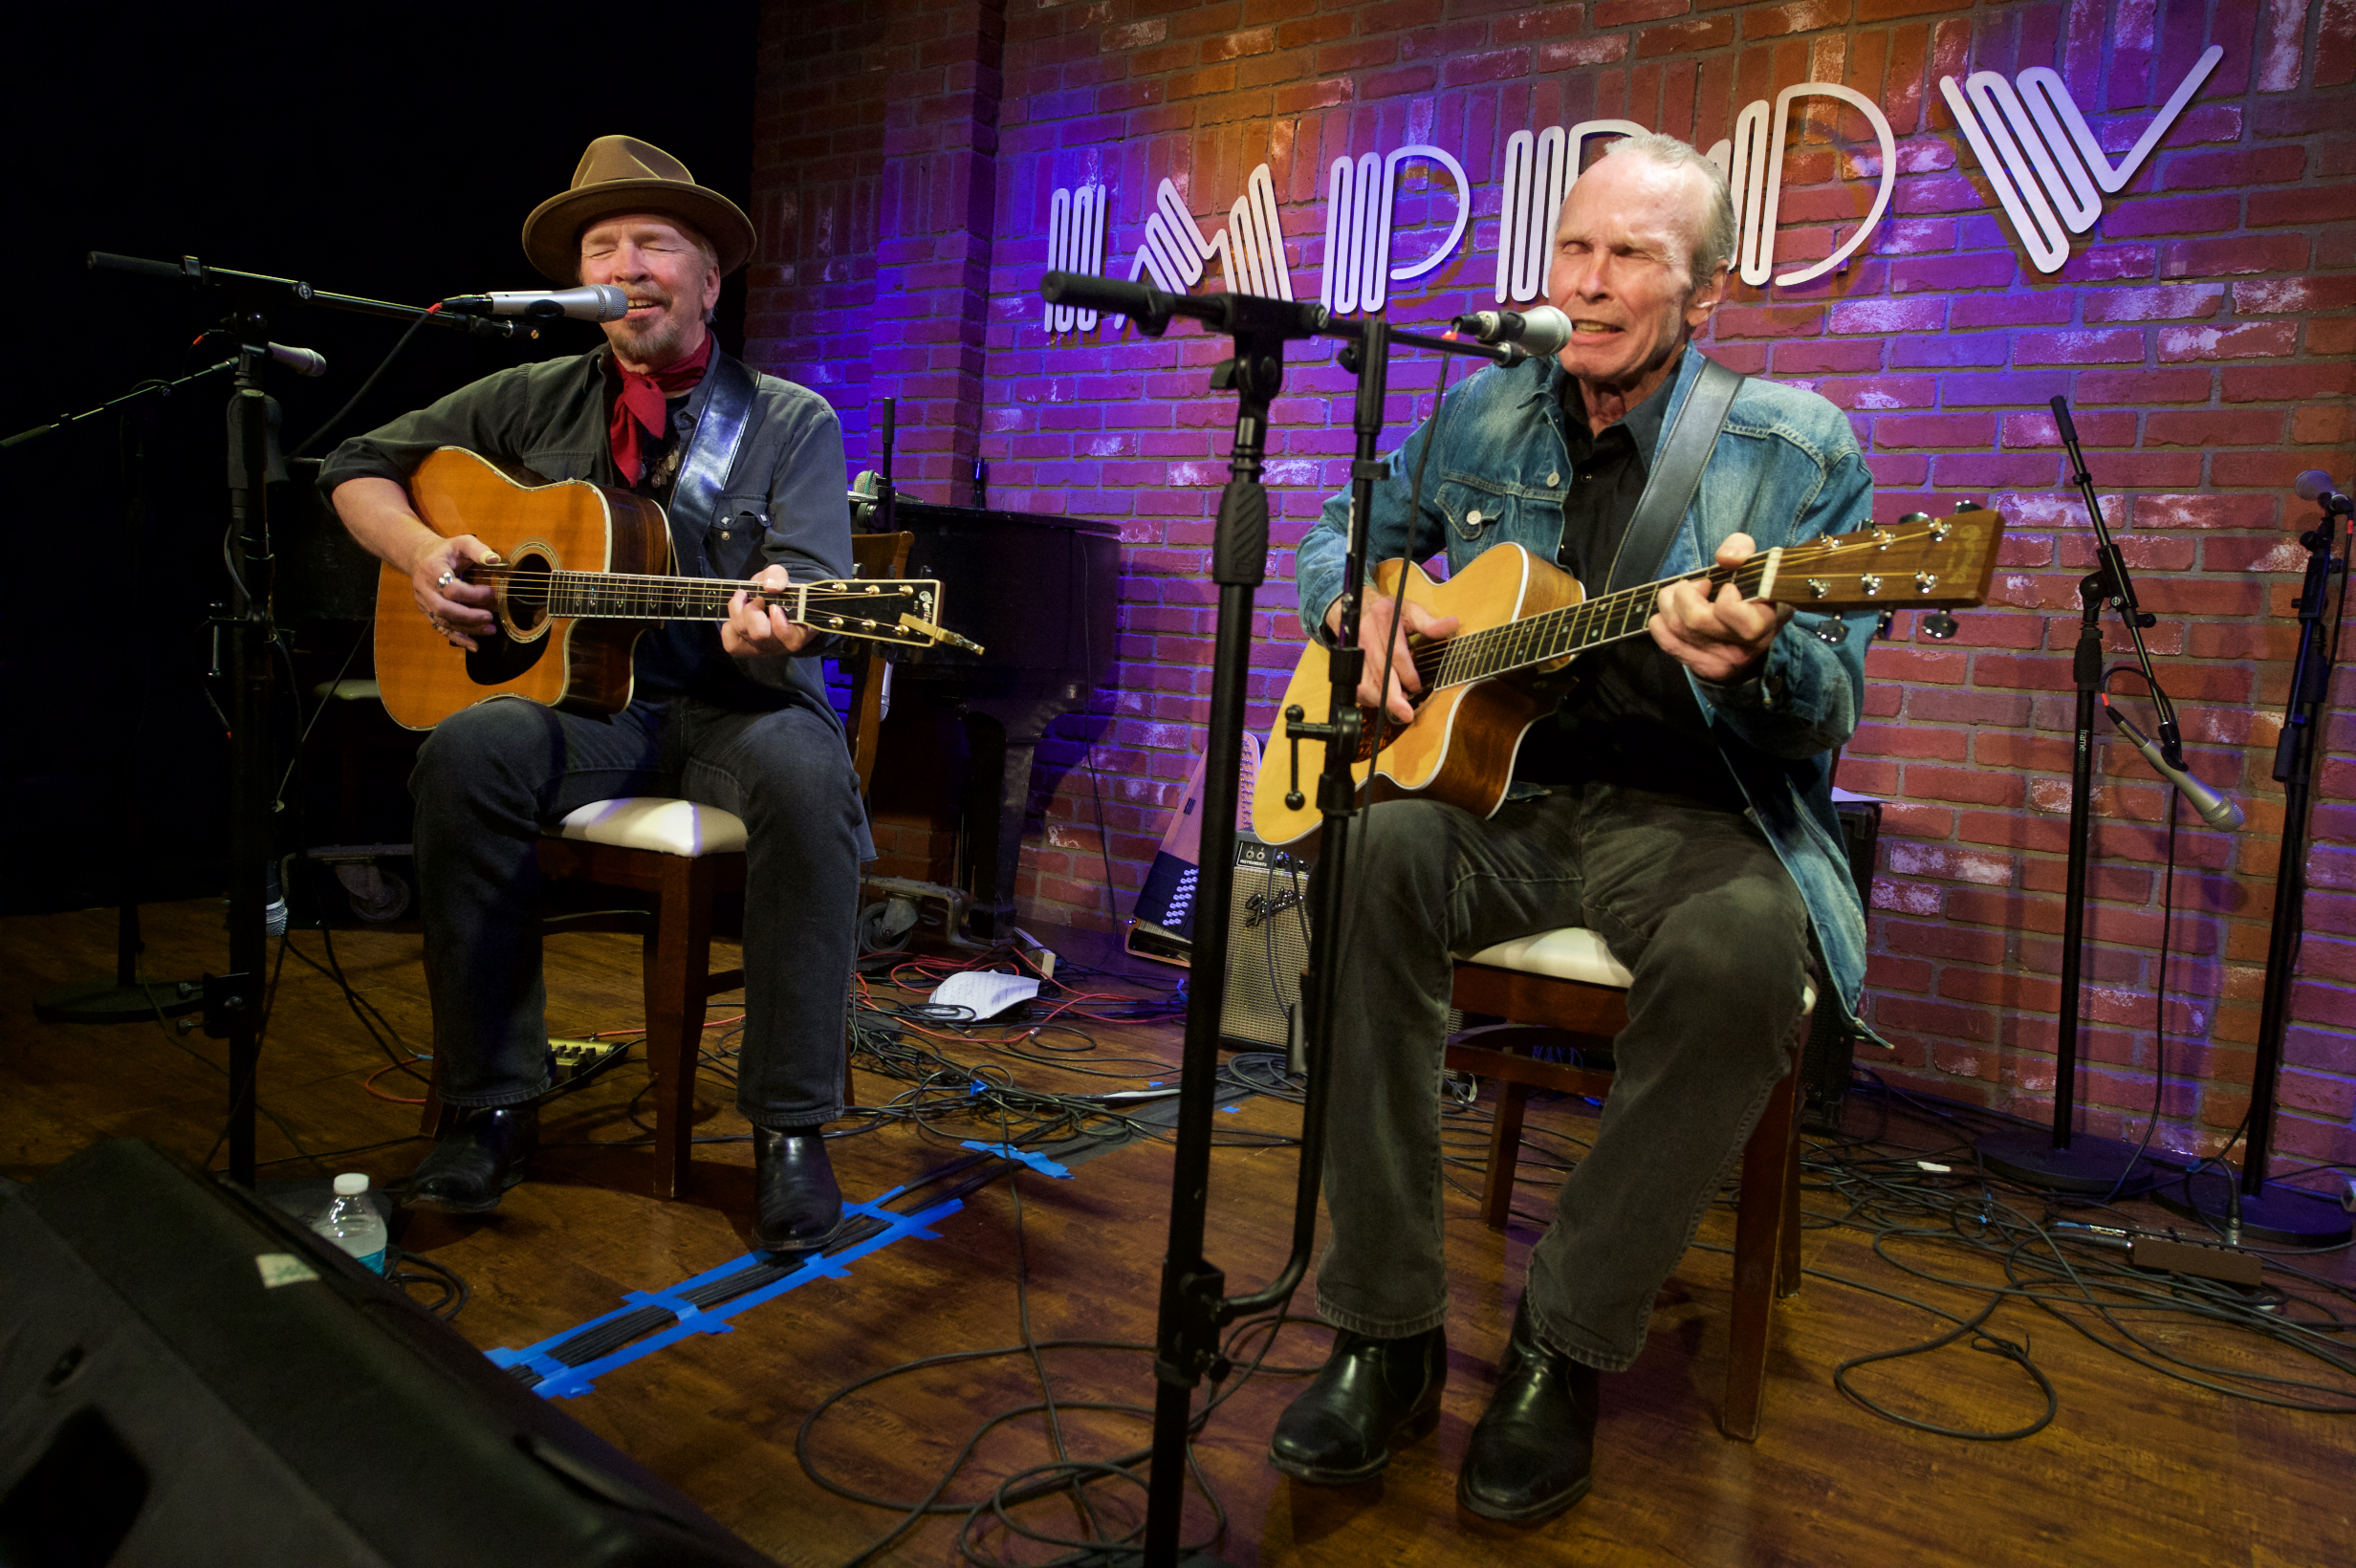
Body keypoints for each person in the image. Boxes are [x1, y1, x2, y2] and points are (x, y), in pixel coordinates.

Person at [1274, 132, 1875, 1522]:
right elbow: (1344, 527)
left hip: (1695, 814)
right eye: (1573, 249)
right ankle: (1383, 1331)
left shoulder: (1796, 445)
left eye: (1632, 258)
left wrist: (1758, 661)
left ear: (1706, 291)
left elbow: (1831, 697)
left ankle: (1562, 1341)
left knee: (1742, 961)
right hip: (1507, 798)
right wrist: (1359, 603)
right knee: (1364, 855)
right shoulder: (1481, 410)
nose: (1589, 284)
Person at [322, 136, 866, 1252]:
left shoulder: (789, 419)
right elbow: (355, 465)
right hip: (586, 714)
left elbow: (813, 578)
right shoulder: (526, 398)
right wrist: (424, 555)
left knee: (811, 781)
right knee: (465, 752)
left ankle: (789, 1128)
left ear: (708, 280)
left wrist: (783, 610)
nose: (625, 265)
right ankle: (490, 1104)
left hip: (736, 709)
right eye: (601, 247)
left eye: (652, 243)